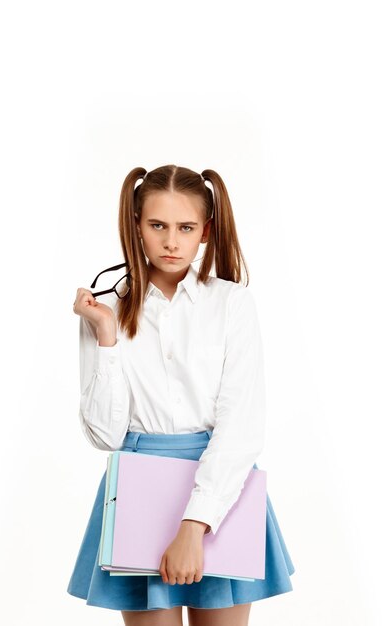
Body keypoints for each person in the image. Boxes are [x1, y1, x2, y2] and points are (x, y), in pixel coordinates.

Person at [67, 164, 295, 626]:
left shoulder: (231, 304)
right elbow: (106, 435)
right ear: (136, 226)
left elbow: (242, 425)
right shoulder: (104, 310)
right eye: (158, 226)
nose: (172, 241)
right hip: (138, 487)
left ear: (205, 231)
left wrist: (196, 525)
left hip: (221, 490)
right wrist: (107, 336)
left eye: (185, 227)